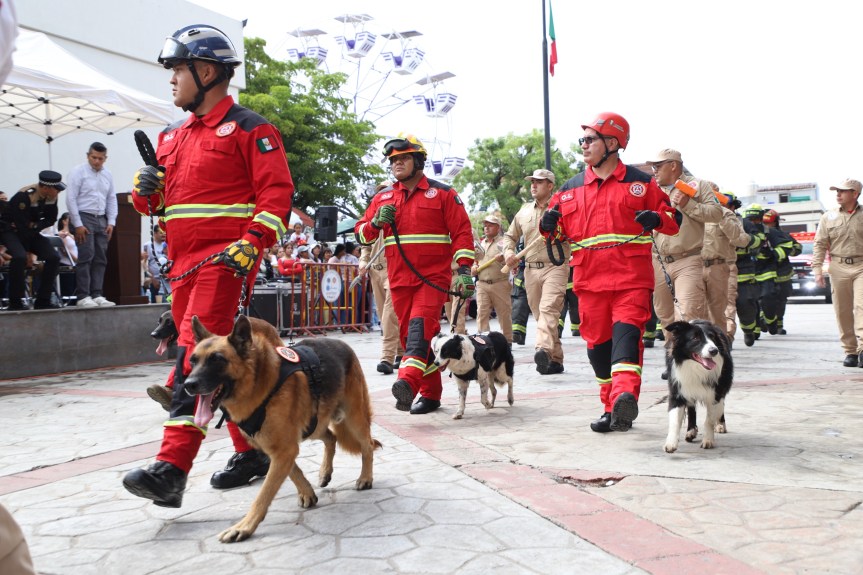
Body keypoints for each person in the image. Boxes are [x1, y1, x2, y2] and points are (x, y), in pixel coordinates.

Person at [122, 24, 295, 508]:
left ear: (206, 70)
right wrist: (146, 189)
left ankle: (171, 469)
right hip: (181, 267)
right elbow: (154, 207)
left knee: (191, 358)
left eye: (178, 69)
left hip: (225, 262)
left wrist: (254, 242)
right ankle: (252, 452)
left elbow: (277, 196)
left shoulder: (250, 128)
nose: (171, 79)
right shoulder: (170, 135)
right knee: (214, 365)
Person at [539, 112, 681, 432]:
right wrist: (547, 226)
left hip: (631, 278)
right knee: (598, 347)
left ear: (613, 143)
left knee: (626, 339)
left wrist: (656, 220)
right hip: (588, 282)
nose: (584, 146)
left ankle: (624, 395)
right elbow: (554, 232)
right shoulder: (570, 189)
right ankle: (612, 407)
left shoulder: (642, 183)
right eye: (583, 140)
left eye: (590, 139)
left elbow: (673, 221)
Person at [355, 133, 474, 415]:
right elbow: (361, 234)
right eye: (394, 160)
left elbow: (462, 234)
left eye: (404, 158)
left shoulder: (444, 193)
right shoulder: (383, 197)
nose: (397, 163)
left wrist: (466, 271)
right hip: (398, 280)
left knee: (419, 329)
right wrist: (373, 222)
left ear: (418, 161)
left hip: (432, 280)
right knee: (416, 338)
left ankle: (407, 382)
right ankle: (431, 396)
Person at [646, 149, 723, 350]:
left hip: (688, 259)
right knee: (665, 315)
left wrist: (688, 205)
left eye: (658, 166)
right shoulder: (653, 189)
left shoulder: (698, 186)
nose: (654, 171)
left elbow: (716, 214)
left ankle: (685, 361)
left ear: (673, 165)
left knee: (687, 312)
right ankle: (675, 358)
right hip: (659, 261)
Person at [503, 168, 570, 374]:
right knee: (542, 316)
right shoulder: (523, 211)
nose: (533, 185)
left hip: (556, 267)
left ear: (550, 186)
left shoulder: (562, 208)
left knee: (549, 310)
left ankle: (542, 349)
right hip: (530, 270)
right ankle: (555, 359)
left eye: (539, 182)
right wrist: (508, 253)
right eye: (532, 181)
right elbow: (509, 236)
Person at [813, 179, 863, 367]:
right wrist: (817, 270)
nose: (838, 194)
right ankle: (850, 351)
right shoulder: (828, 217)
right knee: (842, 311)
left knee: (861, 307)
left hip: (861, 266)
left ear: (855, 193)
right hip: (838, 267)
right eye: (837, 191)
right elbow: (819, 244)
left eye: (843, 191)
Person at [0, 170, 65, 310]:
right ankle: (15, 301)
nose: (58, 192)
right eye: (57, 189)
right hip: (10, 230)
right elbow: (21, 226)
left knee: (53, 257)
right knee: (19, 257)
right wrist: (29, 252)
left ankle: (43, 300)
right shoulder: (24, 196)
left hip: (30, 231)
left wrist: (35, 225)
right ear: (46, 188)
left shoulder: (51, 196)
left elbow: (51, 219)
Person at [359, 181, 404, 375]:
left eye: (386, 191)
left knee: (389, 314)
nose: (383, 195)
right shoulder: (373, 215)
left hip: (393, 268)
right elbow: (365, 242)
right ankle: (401, 352)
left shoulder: (399, 213)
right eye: (380, 192)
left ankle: (386, 357)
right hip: (374, 271)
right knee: (386, 313)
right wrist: (363, 260)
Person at [65, 142, 117, 308]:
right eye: (94, 157)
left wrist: (111, 221)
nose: (96, 161)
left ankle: (97, 294)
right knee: (86, 256)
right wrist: (77, 223)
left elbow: (111, 198)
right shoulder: (78, 172)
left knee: (101, 258)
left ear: (105, 158)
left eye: (100, 158)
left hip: (101, 217)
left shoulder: (107, 174)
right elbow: (71, 198)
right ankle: (83, 295)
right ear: (88, 155)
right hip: (83, 215)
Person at [701, 185, 754, 342]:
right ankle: (705, 341)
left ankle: (726, 338)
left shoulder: (727, 215)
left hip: (724, 266)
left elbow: (743, 241)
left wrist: (723, 220)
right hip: (696, 267)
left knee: (725, 306)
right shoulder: (694, 214)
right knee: (699, 308)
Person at [472, 215, 513, 342]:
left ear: (498, 227)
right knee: (482, 313)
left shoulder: (504, 243)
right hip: (482, 284)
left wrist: (503, 261)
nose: (486, 228)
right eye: (485, 225)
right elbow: (475, 260)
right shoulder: (480, 244)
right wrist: (473, 267)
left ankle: (507, 341)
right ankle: (484, 340)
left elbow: (512, 261)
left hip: (499, 283)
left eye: (490, 225)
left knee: (504, 314)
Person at [761, 208, 800, 335]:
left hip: (782, 273)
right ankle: (764, 319)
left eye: (770, 224)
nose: (768, 226)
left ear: (776, 223)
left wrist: (787, 251)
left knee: (781, 299)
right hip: (764, 273)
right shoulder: (758, 234)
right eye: (765, 224)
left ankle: (779, 324)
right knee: (763, 298)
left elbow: (797, 248)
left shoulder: (783, 235)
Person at [141, 224, 170, 303]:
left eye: (164, 232)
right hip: (154, 282)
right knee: (155, 303)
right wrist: (153, 279)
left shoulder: (168, 244)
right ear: (154, 233)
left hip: (166, 281)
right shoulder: (148, 245)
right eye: (161, 232)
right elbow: (146, 263)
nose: (163, 234)